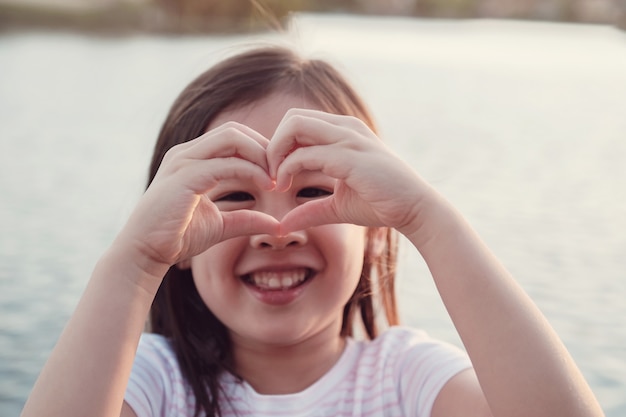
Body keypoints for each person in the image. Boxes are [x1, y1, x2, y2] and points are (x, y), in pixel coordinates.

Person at [20, 45, 605, 417]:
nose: (278, 229)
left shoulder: (409, 379)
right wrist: (133, 262)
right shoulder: (150, 382)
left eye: (313, 192)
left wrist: (428, 219)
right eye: (236, 196)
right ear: (177, 239)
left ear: (375, 232)